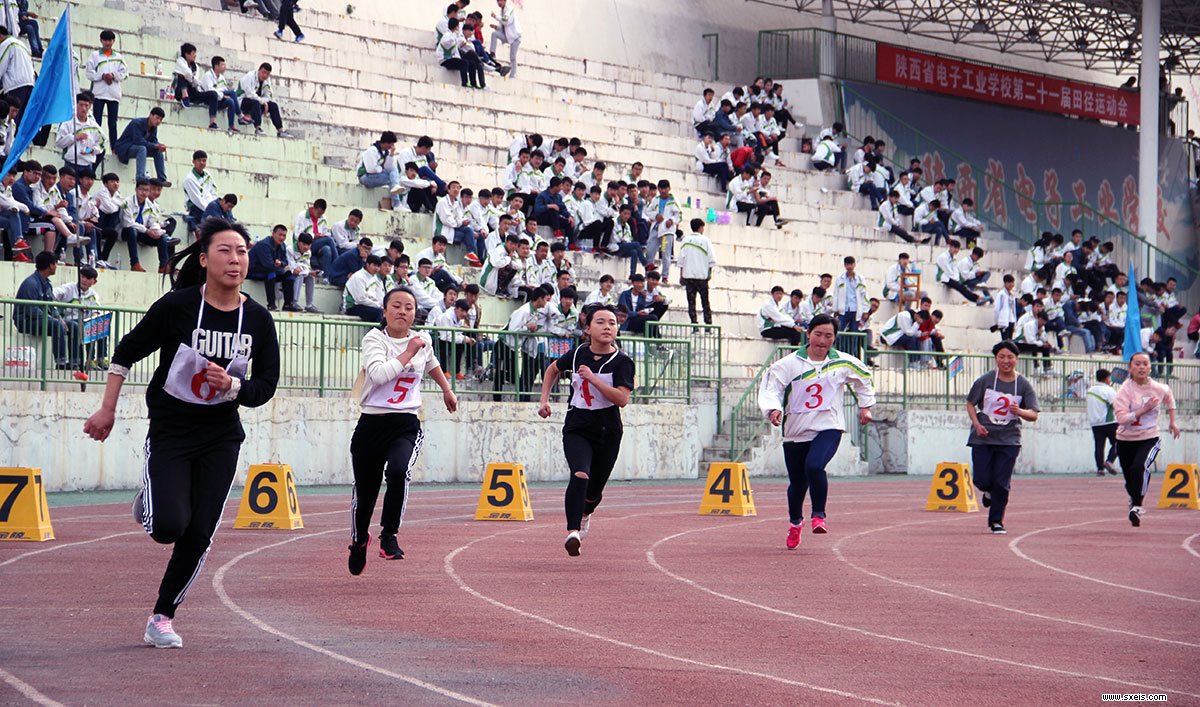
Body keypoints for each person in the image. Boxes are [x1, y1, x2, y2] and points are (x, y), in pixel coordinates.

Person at [82, 218, 280, 649]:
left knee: (199, 533)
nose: (236, 259)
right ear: (204, 259)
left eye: (242, 251)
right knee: (168, 526)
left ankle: (162, 617)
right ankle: (152, 500)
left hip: (221, 437)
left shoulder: (258, 320)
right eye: (225, 251)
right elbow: (125, 352)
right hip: (172, 430)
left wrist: (233, 386)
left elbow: (266, 386)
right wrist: (107, 409)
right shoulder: (178, 307)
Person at [347, 286, 457, 574]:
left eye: (409, 307)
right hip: (371, 424)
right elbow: (378, 374)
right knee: (366, 492)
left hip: (405, 423)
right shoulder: (374, 339)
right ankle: (359, 540)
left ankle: (389, 534)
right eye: (396, 306)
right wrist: (409, 352)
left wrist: (447, 389)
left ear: (415, 314)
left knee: (399, 471)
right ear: (384, 311)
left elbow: (431, 362)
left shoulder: (422, 340)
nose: (402, 312)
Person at [759, 314, 875, 549]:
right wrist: (772, 409)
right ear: (808, 334)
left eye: (828, 336)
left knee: (814, 466)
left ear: (835, 338)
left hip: (828, 427)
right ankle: (795, 523)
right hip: (796, 431)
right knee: (798, 484)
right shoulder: (788, 364)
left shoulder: (843, 362)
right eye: (818, 334)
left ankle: (819, 515)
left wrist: (866, 407)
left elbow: (864, 379)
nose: (822, 341)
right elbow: (772, 387)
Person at [538, 303, 634, 556]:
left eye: (612, 323)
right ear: (588, 328)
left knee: (593, 493)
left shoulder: (623, 362)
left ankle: (586, 512)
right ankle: (573, 532)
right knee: (580, 473)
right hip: (577, 427)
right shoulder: (578, 353)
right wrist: (544, 400)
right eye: (600, 322)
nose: (607, 327)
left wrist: (593, 379)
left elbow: (622, 399)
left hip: (608, 431)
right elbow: (552, 369)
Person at [964, 341, 1040, 535]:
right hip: (983, 437)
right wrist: (977, 424)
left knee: (1001, 483)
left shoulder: (1023, 384)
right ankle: (988, 491)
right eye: (1002, 357)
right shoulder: (985, 380)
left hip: (1009, 439)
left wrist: (1019, 411)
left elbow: (1034, 414)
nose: (1006, 361)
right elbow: (970, 403)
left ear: (1016, 359)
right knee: (981, 479)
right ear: (996, 358)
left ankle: (996, 521)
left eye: (1010, 357)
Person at [1113, 351, 1180, 527]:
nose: (1141, 367)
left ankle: (1137, 506)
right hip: (1125, 439)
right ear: (1130, 368)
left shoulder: (1159, 387)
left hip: (1149, 436)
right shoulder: (1124, 391)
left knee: (1140, 467)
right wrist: (1144, 409)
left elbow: (1170, 399)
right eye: (1137, 364)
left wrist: (1173, 422)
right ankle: (1133, 497)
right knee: (1130, 478)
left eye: (1145, 364)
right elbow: (1122, 419)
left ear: (1150, 367)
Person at [85, 30, 128, 149]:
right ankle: (94, 145)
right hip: (98, 93)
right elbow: (89, 73)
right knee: (96, 121)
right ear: (101, 41)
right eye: (105, 40)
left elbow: (125, 73)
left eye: (110, 40)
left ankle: (114, 148)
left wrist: (113, 76)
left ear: (113, 41)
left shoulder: (118, 57)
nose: (107, 43)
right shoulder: (94, 56)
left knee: (112, 123)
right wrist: (102, 76)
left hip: (113, 94)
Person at [247, 225, 300, 312]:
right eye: (280, 235)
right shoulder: (264, 245)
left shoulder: (282, 246)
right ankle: (271, 305)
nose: (282, 238)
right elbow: (267, 265)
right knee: (271, 273)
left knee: (289, 274)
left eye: (284, 235)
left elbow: (285, 261)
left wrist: (281, 263)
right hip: (253, 271)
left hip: (270, 270)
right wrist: (281, 268)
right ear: (273, 234)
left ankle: (288, 304)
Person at [114, 107, 170, 185]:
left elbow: (153, 140)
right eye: (157, 118)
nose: (158, 121)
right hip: (125, 148)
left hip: (137, 148)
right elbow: (138, 141)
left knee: (158, 152)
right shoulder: (137, 123)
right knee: (142, 148)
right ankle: (140, 177)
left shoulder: (154, 127)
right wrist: (156, 146)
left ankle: (162, 179)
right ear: (150, 115)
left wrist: (159, 146)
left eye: (161, 119)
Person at [677, 218, 715, 325]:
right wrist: (709, 273)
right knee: (705, 302)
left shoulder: (685, 240)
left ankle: (694, 324)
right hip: (702, 277)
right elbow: (712, 259)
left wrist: (681, 275)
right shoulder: (706, 240)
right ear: (700, 228)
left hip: (689, 276)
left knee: (691, 303)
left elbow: (681, 260)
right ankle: (708, 324)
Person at [238, 62, 290, 137]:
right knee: (255, 102)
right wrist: (263, 102)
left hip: (256, 103)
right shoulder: (249, 77)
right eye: (263, 72)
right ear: (259, 70)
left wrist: (264, 102)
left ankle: (280, 131)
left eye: (267, 74)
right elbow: (250, 94)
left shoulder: (266, 81)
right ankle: (258, 128)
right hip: (241, 101)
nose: (265, 75)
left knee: (273, 105)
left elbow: (269, 96)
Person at [1087, 369, 1120, 477]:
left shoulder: (1090, 390)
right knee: (1119, 443)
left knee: (1099, 446)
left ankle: (1100, 469)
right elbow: (1116, 405)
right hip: (1109, 422)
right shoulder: (1109, 390)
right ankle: (1109, 461)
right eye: (1109, 378)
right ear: (1106, 378)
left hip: (1095, 423)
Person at [488, 0, 521, 78]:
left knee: (512, 56)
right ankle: (492, 53)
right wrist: (496, 27)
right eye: (498, 1)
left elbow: (506, 21)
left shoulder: (509, 9)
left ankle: (513, 74)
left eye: (501, 1)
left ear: (505, 1)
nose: (499, 3)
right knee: (494, 34)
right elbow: (503, 27)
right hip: (507, 36)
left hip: (515, 37)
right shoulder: (501, 12)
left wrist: (495, 16)